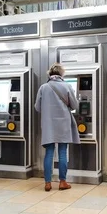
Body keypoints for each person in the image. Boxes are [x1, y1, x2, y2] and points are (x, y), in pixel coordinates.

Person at [35, 63, 80, 192]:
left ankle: (48, 183)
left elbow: (37, 107)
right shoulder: (67, 86)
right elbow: (75, 105)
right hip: (64, 123)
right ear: (61, 74)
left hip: (48, 124)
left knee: (49, 153)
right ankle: (62, 182)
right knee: (62, 152)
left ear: (50, 74)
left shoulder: (43, 87)